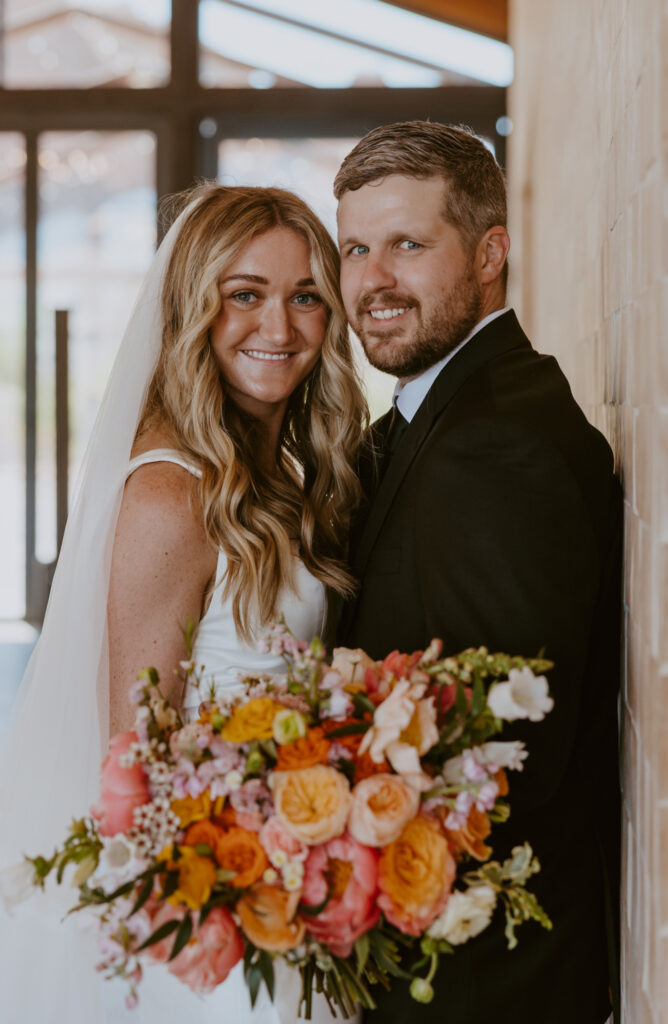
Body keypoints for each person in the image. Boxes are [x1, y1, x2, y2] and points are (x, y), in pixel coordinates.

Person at [0, 183, 367, 1024]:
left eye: (305, 297)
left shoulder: (279, 480)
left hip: (283, 887)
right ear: (191, 307)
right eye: (244, 295)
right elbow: (137, 760)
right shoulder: (172, 496)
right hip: (214, 914)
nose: (277, 329)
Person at [334, 121, 621, 1024]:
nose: (373, 281)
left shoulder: (493, 443)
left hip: (478, 986)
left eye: (408, 246)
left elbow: (500, 760)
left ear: (490, 251)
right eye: (354, 249)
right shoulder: (438, 418)